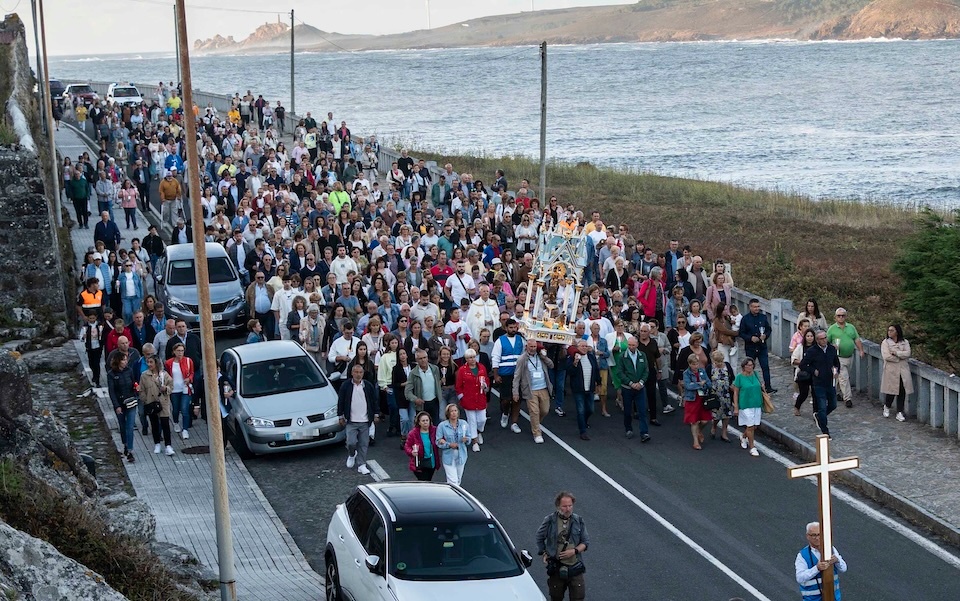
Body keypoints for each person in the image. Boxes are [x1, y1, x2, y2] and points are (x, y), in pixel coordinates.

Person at [536, 491, 589, 601]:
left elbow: (585, 542)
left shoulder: (578, 520)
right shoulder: (550, 520)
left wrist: (574, 551)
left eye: (570, 505)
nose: (568, 509)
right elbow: (539, 537)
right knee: (556, 597)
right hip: (557, 567)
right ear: (558, 506)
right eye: (565, 506)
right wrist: (544, 552)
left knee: (578, 597)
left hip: (575, 567)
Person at [336, 364, 380, 476]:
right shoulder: (346, 386)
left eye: (360, 372)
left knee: (364, 444)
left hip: (365, 420)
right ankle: (351, 454)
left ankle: (361, 464)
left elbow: (374, 400)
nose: (358, 374)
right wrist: (340, 416)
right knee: (351, 442)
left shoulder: (368, 386)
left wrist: (376, 414)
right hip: (351, 420)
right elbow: (341, 401)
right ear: (351, 373)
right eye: (356, 372)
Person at [800, 330, 842, 437]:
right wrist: (813, 370)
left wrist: (836, 371)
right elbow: (803, 365)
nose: (824, 340)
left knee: (833, 405)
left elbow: (836, 363)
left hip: (830, 382)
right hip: (818, 383)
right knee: (822, 406)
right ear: (817, 340)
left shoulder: (831, 349)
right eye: (822, 339)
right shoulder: (812, 351)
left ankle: (819, 417)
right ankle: (825, 431)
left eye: (825, 338)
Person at [512, 339, 554, 445]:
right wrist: (515, 392)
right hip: (530, 390)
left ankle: (535, 423)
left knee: (545, 410)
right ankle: (537, 433)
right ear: (526, 347)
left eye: (535, 347)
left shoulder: (541, 356)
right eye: (531, 347)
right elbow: (517, 376)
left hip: (543, 387)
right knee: (534, 411)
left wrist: (544, 356)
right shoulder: (522, 359)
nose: (533, 349)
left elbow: (551, 365)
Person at [795, 521, 847, 601]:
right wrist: (817, 568)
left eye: (819, 534)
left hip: (833, 598)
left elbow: (843, 568)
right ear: (807, 536)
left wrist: (837, 560)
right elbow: (800, 578)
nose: (817, 538)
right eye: (813, 535)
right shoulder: (802, 555)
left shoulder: (831, 549)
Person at [492, 318, 526, 433]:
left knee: (517, 400)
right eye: (510, 328)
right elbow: (495, 358)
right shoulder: (500, 341)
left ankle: (514, 423)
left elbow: (524, 355)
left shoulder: (521, 340)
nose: (513, 330)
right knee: (506, 400)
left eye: (514, 327)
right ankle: (505, 413)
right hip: (505, 374)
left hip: (518, 375)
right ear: (506, 328)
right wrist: (496, 375)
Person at [826, 307, 864, 408]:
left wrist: (861, 350)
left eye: (843, 315)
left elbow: (856, 339)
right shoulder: (832, 329)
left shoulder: (851, 327)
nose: (841, 317)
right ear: (835, 317)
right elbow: (826, 342)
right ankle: (848, 398)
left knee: (841, 377)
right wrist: (832, 347)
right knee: (844, 377)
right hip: (838, 357)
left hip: (849, 356)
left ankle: (836, 392)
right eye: (839, 316)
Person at [616, 335, 650, 442]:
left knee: (642, 411)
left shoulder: (642, 355)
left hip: (640, 388)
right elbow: (620, 372)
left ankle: (644, 432)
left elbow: (646, 370)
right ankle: (628, 428)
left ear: (637, 345)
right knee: (627, 410)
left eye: (633, 345)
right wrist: (630, 383)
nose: (631, 347)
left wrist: (641, 382)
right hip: (627, 388)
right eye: (629, 345)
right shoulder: (622, 357)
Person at [139, 355, 175, 456]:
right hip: (151, 402)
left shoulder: (164, 374)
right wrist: (145, 400)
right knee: (154, 423)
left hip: (163, 401)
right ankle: (157, 444)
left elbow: (171, 386)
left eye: (151, 362)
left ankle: (168, 445)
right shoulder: (144, 375)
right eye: (148, 362)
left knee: (165, 424)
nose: (149, 364)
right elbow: (141, 390)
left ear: (156, 363)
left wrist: (166, 389)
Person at [739, 298, 776, 393]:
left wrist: (765, 335)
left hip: (762, 347)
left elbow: (768, 329)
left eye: (758, 306)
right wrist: (750, 338)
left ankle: (768, 387)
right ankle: (748, 386)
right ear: (750, 307)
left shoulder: (763, 317)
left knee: (765, 367)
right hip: (751, 347)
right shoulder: (745, 319)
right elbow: (741, 333)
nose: (757, 308)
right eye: (755, 307)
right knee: (749, 367)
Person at [107, 353, 138, 463]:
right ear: (118, 361)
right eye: (123, 360)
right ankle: (125, 444)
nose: (125, 362)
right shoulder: (111, 374)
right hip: (120, 403)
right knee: (123, 426)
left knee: (130, 426)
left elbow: (133, 382)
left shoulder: (129, 371)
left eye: (126, 360)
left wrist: (135, 390)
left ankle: (130, 450)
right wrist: (117, 406)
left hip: (130, 402)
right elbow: (112, 391)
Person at [456, 349, 489, 452]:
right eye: (470, 357)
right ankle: (474, 441)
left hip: (480, 398)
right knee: (472, 421)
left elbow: (486, 380)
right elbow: (458, 386)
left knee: (482, 419)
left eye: (474, 357)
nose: (472, 359)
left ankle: (479, 432)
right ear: (466, 359)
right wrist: (462, 397)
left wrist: (485, 386)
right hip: (468, 399)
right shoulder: (462, 370)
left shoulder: (482, 368)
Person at [568, 339, 600, 441]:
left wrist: (598, 383)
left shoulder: (591, 357)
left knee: (590, 409)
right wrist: (575, 362)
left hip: (589, 388)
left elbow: (596, 370)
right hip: (578, 389)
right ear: (577, 348)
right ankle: (582, 431)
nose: (584, 348)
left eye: (586, 346)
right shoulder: (573, 358)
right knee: (580, 410)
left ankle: (584, 421)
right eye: (582, 346)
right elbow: (570, 372)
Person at [732, 356, 765, 456]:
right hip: (745, 405)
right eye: (748, 365)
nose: (750, 367)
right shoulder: (739, 377)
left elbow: (759, 386)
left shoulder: (755, 374)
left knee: (754, 426)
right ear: (744, 366)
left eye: (751, 365)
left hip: (756, 403)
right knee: (750, 426)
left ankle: (744, 436)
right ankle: (752, 447)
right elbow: (736, 393)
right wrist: (736, 407)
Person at [880, 324, 912, 422]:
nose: (889, 332)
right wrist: (899, 358)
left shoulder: (904, 342)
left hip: (903, 370)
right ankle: (887, 405)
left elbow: (908, 353)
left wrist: (897, 353)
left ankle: (900, 411)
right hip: (891, 370)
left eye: (892, 330)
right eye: (888, 330)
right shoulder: (885, 342)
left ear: (897, 332)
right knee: (892, 390)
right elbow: (887, 356)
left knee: (902, 390)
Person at [682, 354, 713, 451]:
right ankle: (695, 441)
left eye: (697, 364)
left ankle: (699, 431)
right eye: (694, 364)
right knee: (694, 421)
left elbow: (708, 383)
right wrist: (700, 384)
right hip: (692, 399)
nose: (696, 366)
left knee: (705, 420)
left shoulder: (702, 371)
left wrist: (696, 384)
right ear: (690, 364)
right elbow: (688, 386)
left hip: (702, 398)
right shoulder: (686, 373)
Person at [165, 342, 196, 440]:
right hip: (174, 390)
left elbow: (192, 373)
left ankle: (185, 429)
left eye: (182, 351)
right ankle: (175, 422)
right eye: (178, 351)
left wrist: (189, 379)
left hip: (185, 389)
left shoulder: (188, 361)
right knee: (175, 409)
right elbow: (166, 375)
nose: (180, 353)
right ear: (174, 351)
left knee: (184, 409)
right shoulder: (169, 363)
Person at [435, 403, 471, 486]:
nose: (454, 413)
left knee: (458, 479)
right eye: (452, 411)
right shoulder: (442, 426)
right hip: (448, 456)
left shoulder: (464, 424)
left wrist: (466, 440)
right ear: (448, 413)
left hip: (461, 455)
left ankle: (453, 495)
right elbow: (438, 441)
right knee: (453, 481)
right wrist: (448, 444)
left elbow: (469, 438)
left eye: (455, 411)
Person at [405, 349, 443, 425]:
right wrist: (415, 399)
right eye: (420, 358)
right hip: (422, 404)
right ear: (416, 360)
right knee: (423, 426)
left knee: (435, 425)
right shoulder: (413, 373)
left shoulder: (435, 369)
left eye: (425, 357)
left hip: (434, 402)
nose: (423, 360)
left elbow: (438, 383)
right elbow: (407, 391)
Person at [706, 349, 735, 442]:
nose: (719, 363)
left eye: (720, 361)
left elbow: (732, 378)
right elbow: (707, 380)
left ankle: (724, 432)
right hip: (715, 395)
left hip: (726, 395)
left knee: (726, 414)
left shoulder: (727, 366)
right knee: (716, 415)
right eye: (716, 361)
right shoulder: (710, 367)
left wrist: (732, 385)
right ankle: (714, 427)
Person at [404, 411, 439, 481]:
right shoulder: (413, 433)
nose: (425, 422)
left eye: (427, 420)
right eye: (423, 421)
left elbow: (441, 439)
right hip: (419, 463)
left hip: (431, 462)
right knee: (424, 481)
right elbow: (407, 446)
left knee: (428, 481)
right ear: (419, 422)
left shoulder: (435, 430)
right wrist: (412, 452)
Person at [792, 329, 817, 416]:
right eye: (808, 336)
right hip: (804, 374)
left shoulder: (817, 348)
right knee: (804, 393)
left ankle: (815, 412)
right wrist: (803, 362)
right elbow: (794, 359)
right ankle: (797, 406)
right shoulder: (800, 347)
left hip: (814, 373)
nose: (810, 338)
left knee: (815, 394)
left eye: (811, 336)